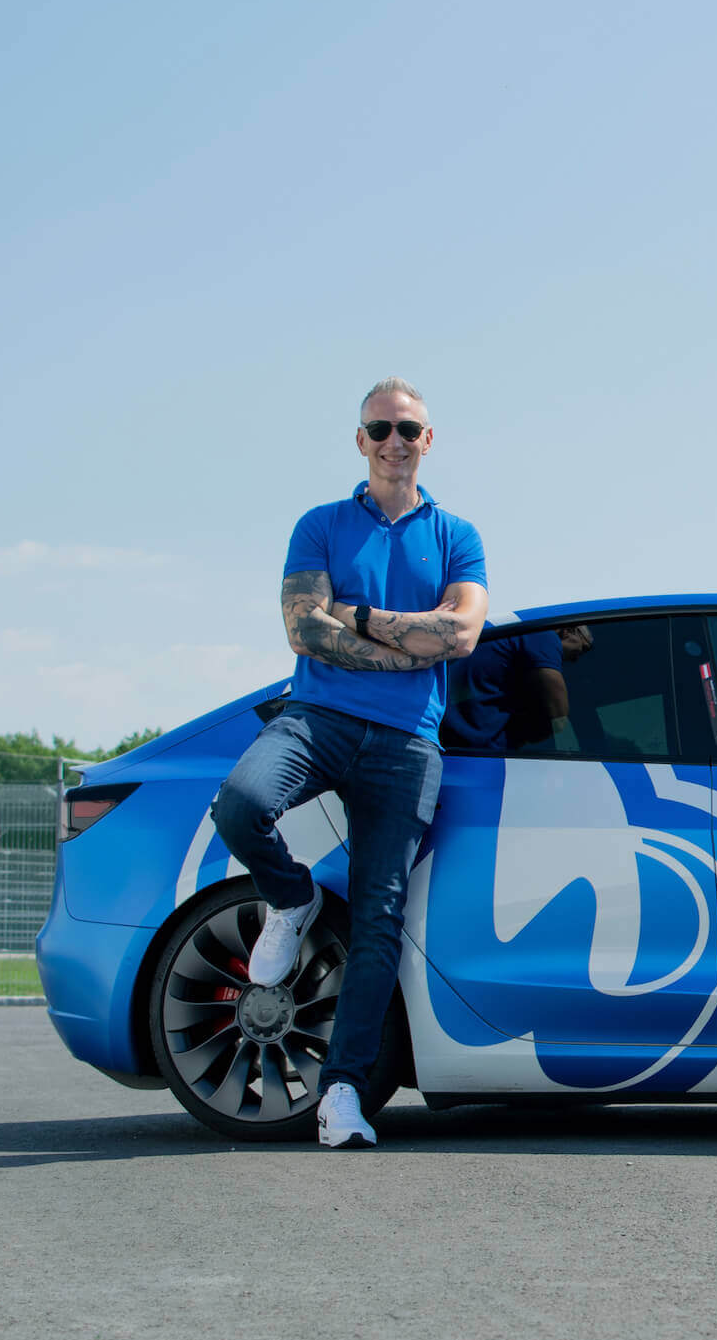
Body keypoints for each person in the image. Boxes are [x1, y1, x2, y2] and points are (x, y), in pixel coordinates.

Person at [209, 377, 487, 1148]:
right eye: (380, 428)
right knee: (240, 801)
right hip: (318, 719)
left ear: (429, 440)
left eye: (409, 429)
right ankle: (291, 898)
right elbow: (304, 630)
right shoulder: (321, 524)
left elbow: (461, 636)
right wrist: (406, 643)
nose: (395, 441)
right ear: (360, 440)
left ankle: (341, 1094)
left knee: (379, 923)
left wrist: (358, 616)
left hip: (406, 747)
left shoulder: (457, 534)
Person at [444, 622, 592, 752]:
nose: (576, 660)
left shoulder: (515, 639)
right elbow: (558, 716)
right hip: (478, 751)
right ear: (568, 631)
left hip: (448, 739)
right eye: (583, 647)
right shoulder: (543, 636)